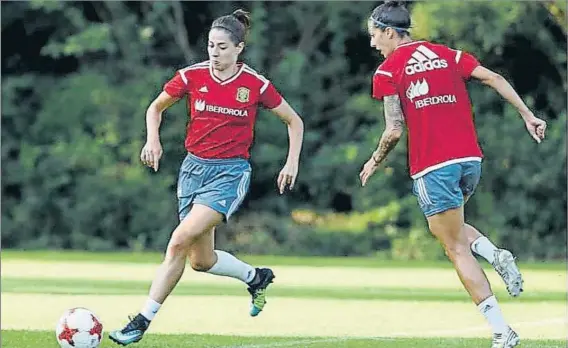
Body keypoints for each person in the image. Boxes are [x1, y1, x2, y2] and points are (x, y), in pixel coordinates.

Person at [109, 9, 304, 346]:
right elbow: (155, 108)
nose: (215, 53)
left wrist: (291, 163)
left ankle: (140, 321)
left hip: (230, 173)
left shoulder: (255, 85)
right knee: (201, 261)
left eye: (223, 47)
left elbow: (294, 121)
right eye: (211, 46)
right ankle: (256, 277)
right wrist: (152, 139)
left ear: (239, 48)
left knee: (178, 240)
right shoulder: (190, 76)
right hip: (192, 170)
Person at [359, 2, 547, 348]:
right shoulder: (447, 54)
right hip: (470, 160)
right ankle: (495, 255)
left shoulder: (387, 70)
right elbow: (493, 77)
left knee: (455, 246)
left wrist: (374, 160)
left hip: (434, 166)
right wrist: (527, 115)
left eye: (374, 36)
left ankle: (501, 331)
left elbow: (394, 130)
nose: (373, 44)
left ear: (389, 32)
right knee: (455, 227)